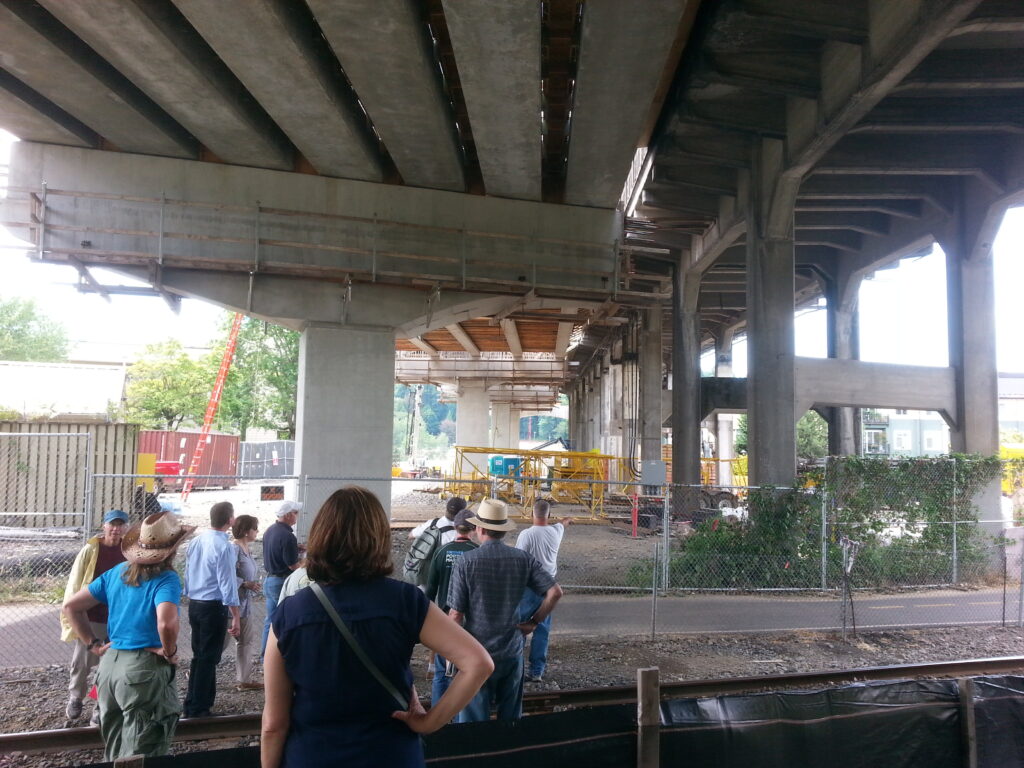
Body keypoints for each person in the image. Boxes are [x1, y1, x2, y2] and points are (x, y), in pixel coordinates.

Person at [261, 486, 492, 768]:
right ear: (377, 538)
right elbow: (478, 663)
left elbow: (273, 725)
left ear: (321, 536)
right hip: (391, 755)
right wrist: (429, 723)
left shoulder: (290, 613)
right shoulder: (406, 601)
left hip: (313, 756)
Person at [62, 511, 193, 761]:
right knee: (142, 751)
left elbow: (71, 607)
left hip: (109, 667)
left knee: (114, 746)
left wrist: (93, 644)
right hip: (141, 671)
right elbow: (166, 623)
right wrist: (169, 652)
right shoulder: (166, 579)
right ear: (172, 549)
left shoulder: (118, 572)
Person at [447, 498, 562, 723]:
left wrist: (452, 652)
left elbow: (456, 615)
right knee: (510, 721)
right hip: (511, 651)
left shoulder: (467, 562)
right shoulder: (522, 559)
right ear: (503, 530)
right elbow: (555, 592)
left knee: (473, 725)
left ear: (479, 528)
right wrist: (534, 622)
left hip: (477, 654)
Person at [60, 509, 130, 723]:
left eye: (120, 525)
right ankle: (75, 697)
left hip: (117, 616)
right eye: (112, 524)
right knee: (83, 660)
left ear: (126, 528)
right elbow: (75, 581)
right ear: (104, 526)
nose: (116, 529)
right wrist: (71, 611)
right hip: (92, 615)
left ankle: (100, 705)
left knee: (109, 665)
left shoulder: (128, 550)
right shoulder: (91, 549)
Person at [183, 501, 241, 718]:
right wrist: (235, 615)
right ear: (230, 520)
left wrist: (190, 594)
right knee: (209, 657)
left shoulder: (196, 541)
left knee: (199, 655)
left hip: (195, 603)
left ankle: (196, 702)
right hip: (213, 606)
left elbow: (188, 573)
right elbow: (227, 583)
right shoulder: (225, 547)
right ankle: (199, 708)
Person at [424, 509, 477, 704]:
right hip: (470, 621)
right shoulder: (476, 552)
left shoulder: (441, 551)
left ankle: (439, 715)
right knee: (465, 669)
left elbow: (430, 589)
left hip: (444, 618)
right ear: (473, 528)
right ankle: (460, 713)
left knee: (441, 672)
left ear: (455, 527)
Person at [515, 499, 572, 682]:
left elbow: (519, 561)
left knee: (521, 628)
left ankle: (517, 668)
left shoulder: (526, 534)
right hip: (549, 588)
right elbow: (561, 524)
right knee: (542, 631)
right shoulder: (556, 532)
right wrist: (566, 520)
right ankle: (537, 671)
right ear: (548, 515)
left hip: (528, 587)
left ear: (532, 514)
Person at [261, 500, 302, 657]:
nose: (297, 516)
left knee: (270, 622)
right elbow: (292, 565)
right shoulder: (288, 536)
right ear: (288, 515)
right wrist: (307, 568)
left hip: (269, 580)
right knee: (286, 620)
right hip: (281, 582)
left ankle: (266, 657)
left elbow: (276, 548)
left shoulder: (270, 530)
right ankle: (283, 656)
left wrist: (295, 548)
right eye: (295, 513)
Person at [228, 514, 263, 691]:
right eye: (254, 528)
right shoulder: (234, 549)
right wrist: (244, 583)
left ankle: (244, 679)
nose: (257, 531)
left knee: (246, 641)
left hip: (245, 602)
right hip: (232, 603)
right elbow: (225, 575)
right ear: (245, 530)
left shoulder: (247, 548)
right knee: (223, 643)